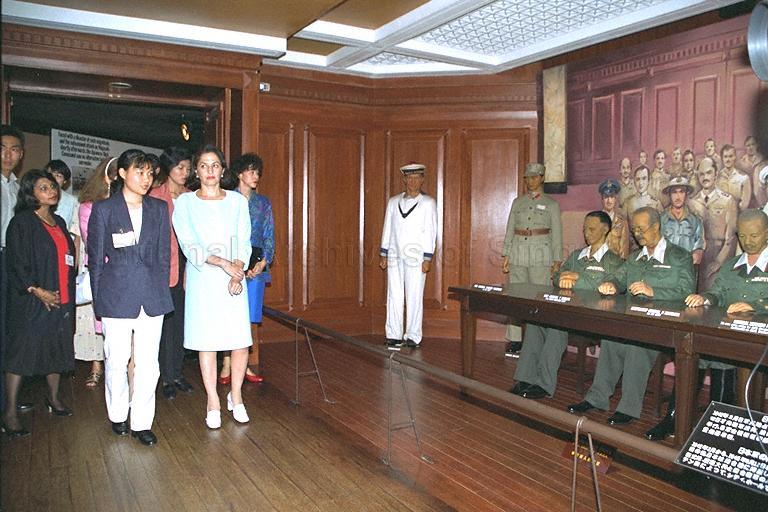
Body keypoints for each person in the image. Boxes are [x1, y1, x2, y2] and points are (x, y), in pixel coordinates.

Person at [647, 209, 768, 441]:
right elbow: (718, 291)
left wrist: (756, 305)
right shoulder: (733, 264)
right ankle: (675, 418)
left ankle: (720, 426)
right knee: (693, 353)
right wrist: (706, 298)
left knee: (723, 359)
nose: (748, 241)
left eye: (754, 235)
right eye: (742, 236)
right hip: (727, 332)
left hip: (756, 339)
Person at [567, 207, 695, 425]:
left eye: (642, 229)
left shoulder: (679, 256)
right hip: (633, 320)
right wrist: (611, 285)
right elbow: (619, 278)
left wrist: (654, 291)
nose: (638, 234)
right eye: (635, 229)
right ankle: (597, 398)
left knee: (636, 345)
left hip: (662, 323)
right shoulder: (635, 258)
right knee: (611, 340)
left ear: (656, 227)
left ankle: (628, 408)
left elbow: (687, 290)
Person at [88, 149, 173, 446]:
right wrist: (99, 301)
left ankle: (141, 422)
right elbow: (95, 260)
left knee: (150, 364)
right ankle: (118, 415)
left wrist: (160, 289)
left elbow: (164, 256)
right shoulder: (104, 209)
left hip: (152, 296)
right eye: (140, 172)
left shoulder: (159, 209)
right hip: (116, 295)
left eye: (150, 173)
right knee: (116, 360)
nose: (146, 179)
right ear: (123, 173)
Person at [173, 145, 252, 429]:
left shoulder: (237, 201)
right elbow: (189, 244)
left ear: (222, 169)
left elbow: (244, 238)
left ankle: (236, 396)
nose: (210, 171)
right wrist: (223, 264)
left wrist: (237, 269)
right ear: (196, 170)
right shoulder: (185, 203)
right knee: (207, 341)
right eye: (204, 166)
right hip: (204, 275)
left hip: (234, 276)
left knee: (239, 340)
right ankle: (213, 400)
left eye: (215, 165)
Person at [511, 211, 623, 399]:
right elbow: (556, 277)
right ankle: (525, 378)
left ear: (605, 229)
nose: (587, 233)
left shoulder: (614, 261)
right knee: (535, 322)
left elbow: (607, 286)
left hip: (591, 316)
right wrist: (563, 277)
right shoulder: (576, 256)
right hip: (566, 310)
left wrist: (576, 279)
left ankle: (543, 384)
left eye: (592, 229)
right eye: (584, 229)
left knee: (556, 327)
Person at [2, 170, 76, 438]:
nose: (51, 191)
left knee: (56, 350)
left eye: (53, 187)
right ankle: (9, 412)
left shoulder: (58, 221)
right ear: (30, 193)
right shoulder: (22, 222)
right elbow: (17, 263)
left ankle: (54, 399)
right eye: (44, 187)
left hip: (62, 298)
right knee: (22, 353)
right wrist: (37, 290)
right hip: (34, 300)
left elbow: (68, 258)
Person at [219, 153, 274, 384]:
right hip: (230, 263)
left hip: (256, 263)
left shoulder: (263, 203)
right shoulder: (226, 199)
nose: (256, 176)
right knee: (227, 315)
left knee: (248, 317)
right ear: (240, 173)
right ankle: (227, 362)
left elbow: (270, 235)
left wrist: (262, 263)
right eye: (251, 171)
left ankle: (245, 365)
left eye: (258, 172)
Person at [501, 162, 562, 356]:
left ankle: (539, 339)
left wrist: (556, 260)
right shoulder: (518, 203)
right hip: (518, 252)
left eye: (534, 177)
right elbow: (510, 227)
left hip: (541, 255)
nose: (531, 181)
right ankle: (515, 340)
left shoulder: (552, 204)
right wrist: (506, 254)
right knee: (515, 298)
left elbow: (557, 234)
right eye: (528, 177)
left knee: (540, 298)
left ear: (542, 178)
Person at [149, 146, 194, 400]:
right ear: (169, 169)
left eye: (188, 168)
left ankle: (177, 373)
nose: (185, 172)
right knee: (164, 325)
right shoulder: (155, 196)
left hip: (189, 268)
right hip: (163, 269)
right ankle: (165, 377)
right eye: (180, 168)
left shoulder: (191, 197)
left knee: (181, 324)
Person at [380, 163, 438, 350]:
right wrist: (384, 253)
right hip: (395, 255)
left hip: (416, 256)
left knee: (414, 295)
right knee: (394, 295)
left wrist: (427, 258)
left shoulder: (428, 203)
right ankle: (393, 334)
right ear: (404, 179)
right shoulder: (393, 202)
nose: (413, 182)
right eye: (409, 178)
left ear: (422, 180)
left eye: (417, 178)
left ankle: (413, 335)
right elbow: (387, 228)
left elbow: (431, 231)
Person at [72, 157, 118, 387]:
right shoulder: (88, 206)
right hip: (101, 270)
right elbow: (93, 240)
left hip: (123, 272)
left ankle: (117, 371)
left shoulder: (127, 203)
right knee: (96, 323)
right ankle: (97, 367)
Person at [1, 125, 25, 413]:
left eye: (14, 149)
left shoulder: (19, 188)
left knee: (11, 329)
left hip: (13, 262)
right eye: (3, 148)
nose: (8, 154)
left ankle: (8, 399)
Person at [689, 157, 738, 290]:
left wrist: (718, 262)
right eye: (701, 174)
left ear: (716, 174)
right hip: (697, 256)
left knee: (714, 294)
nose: (705, 177)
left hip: (719, 253)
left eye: (709, 172)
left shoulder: (728, 201)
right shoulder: (692, 202)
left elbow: (731, 238)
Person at [660, 177, 704, 265]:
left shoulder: (695, 221)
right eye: (674, 192)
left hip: (686, 270)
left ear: (686, 194)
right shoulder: (661, 220)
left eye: (681, 192)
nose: (678, 196)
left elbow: (698, 248)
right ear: (669, 194)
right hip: (665, 269)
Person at [598, 179, 629, 259]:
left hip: (616, 264)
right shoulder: (596, 220)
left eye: (612, 197)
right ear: (602, 199)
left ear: (615, 199)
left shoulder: (622, 222)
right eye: (606, 197)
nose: (609, 201)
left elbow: (624, 249)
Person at [44, 159, 79, 231]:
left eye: (58, 175)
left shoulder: (73, 201)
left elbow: (76, 228)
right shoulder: (39, 197)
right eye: (50, 174)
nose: (53, 178)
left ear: (65, 181)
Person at [716, 144, 751, 211]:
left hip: (738, 215)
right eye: (725, 157)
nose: (728, 160)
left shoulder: (744, 178)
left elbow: (744, 205)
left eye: (730, 156)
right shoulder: (716, 178)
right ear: (722, 158)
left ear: (735, 157)